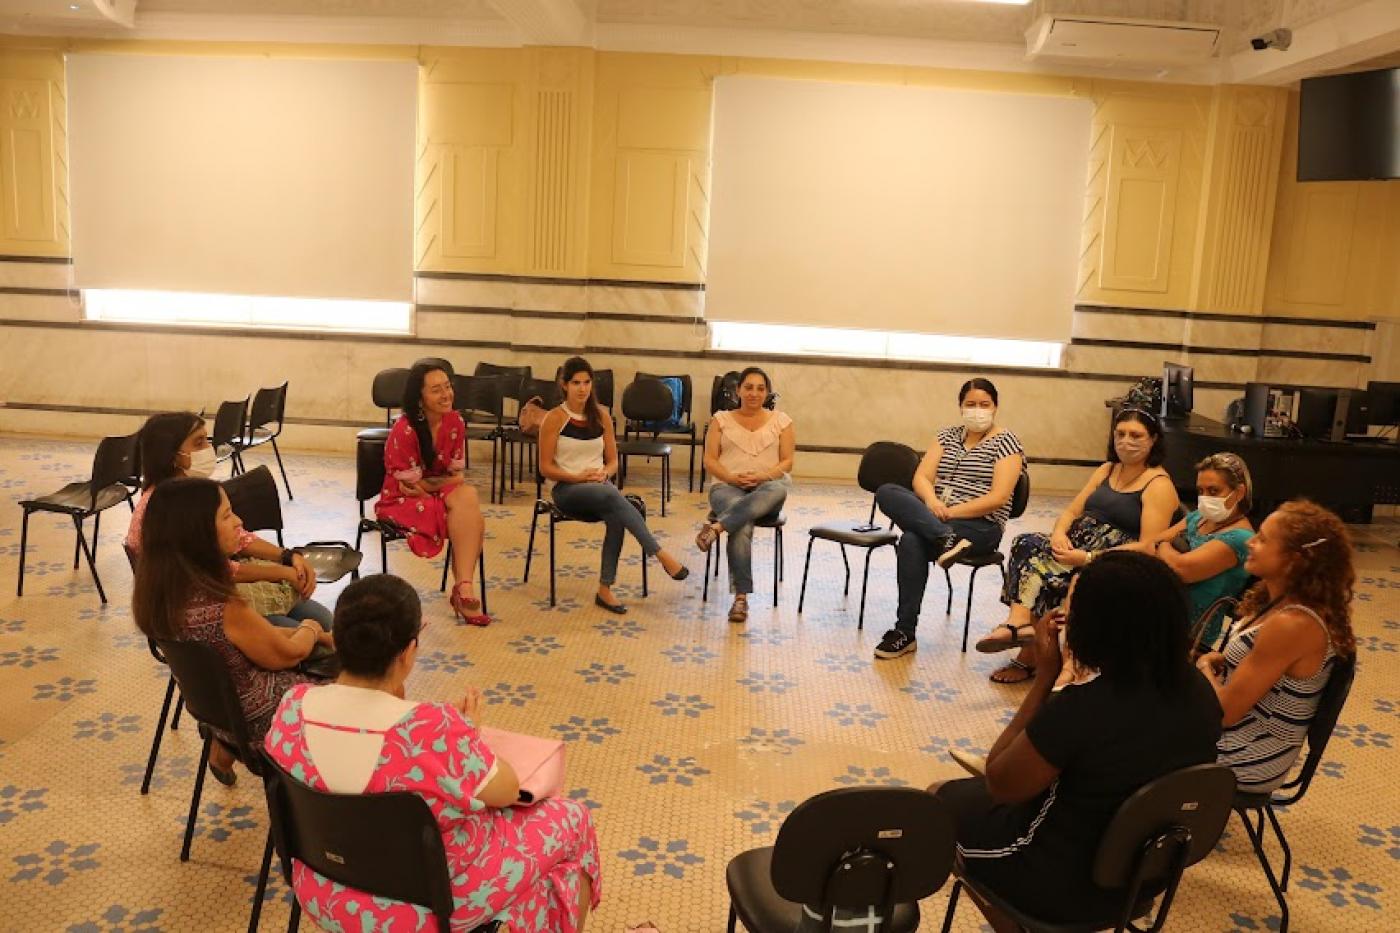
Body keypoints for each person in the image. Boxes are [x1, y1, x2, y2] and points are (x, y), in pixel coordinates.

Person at [264, 574, 601, 932]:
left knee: (530, 880)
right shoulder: (434, 727)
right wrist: (467, 735)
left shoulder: (291, 708)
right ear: (408, 651)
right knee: (572, 818)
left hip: (322, 890)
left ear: (340, 643)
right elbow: (505, 791)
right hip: (428, 907)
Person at [931, 552, 1222, 931]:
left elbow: (1000, 782)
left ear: (1095, 627)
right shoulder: (1200, 692)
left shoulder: (1081, 708)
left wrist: (1045, 677)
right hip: (1144, 877)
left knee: (936, 801)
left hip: (1059, 884)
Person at [132, 477, 333, 786]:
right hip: (264, 720)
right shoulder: (224, 605)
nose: (238, 521)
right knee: (371, 681)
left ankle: (223, 747)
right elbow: (288, 655)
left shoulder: (159, 592)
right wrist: (312, 629)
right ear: (198, 532)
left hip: (220, 715)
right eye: (227, 515)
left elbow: (252, 640)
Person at [975, 407, 1178, 683]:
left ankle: (1041, 657)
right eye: (1120, 434)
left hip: (1113, 559)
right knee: (1026, 543)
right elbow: (1071, 512)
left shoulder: (1158, 485)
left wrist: (1088, 557)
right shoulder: (1108, 469)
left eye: (1135, 435)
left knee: (1049, 573)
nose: (1126, 441)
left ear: (1153, 440)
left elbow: (1147, 547)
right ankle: (1019, 623)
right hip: (1076, 545)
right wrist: (1059, 533)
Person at [1195, 500, 1356, 795]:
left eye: (1263, 539)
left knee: (1128, 730)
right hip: (1239, 735)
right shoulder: (1275, 597)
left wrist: (1205, 667)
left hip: (1246, 756)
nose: (1251, 542)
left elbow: (1224, 713)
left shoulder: (1293, 623)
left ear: (1295, 559)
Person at [126, 411, 332, 632]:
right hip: (194, 605)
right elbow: (216, 569)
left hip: (216, 586)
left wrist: (289, 557)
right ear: (173, 456)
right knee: (301, 634)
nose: (208, 449)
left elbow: (240, 537)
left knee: (322, 619)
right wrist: (284, 572)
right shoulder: (163, 507)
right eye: (199, 443)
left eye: (207, 439)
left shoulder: (193, 489)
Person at [871, 377, 1025, 658]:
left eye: (984, 404)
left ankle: (904, 630)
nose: (977, 410)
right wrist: (931, 502)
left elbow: (999, 497)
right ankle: (944, 540)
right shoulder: (947, 436)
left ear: (995, 407)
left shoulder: (1007, 442)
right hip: (939, 518)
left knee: (912, 540)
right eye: (970, 404)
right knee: (887, 491)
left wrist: (949, 512)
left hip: (980, 526)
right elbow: (922, 477)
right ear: (960, 407)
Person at [538, 357, 689, 613]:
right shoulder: (554, 418)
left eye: (587, 382)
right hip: (568, 490)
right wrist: (579, 477)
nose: (582, 389)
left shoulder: (602, 416)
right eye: (576, 383)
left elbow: (612, 462)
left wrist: (603, 473)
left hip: (600, 490)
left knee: (615, 509)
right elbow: (545, 468)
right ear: (564, 385)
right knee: (612, 496)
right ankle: (660, 554)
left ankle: (604, 590)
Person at [376, 362, 486, 622]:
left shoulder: (455, 422)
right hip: (400, 500)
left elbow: (457, 476)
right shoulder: (405, 429)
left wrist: (433, 486)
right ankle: (464, 589)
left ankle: (464, 586)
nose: (446, 394)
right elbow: (410, 487)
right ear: (420, 397)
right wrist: (437, 485)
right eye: (436, 390)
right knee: (471, 520)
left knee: (467, 496)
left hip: (432, 493)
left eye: (448, 387)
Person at [1114, 452, 1255, 649]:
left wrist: (1164, 545)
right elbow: (1150, 544)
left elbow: (1180, 570)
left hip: (1188, 631)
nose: (1205, 498)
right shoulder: (1199, 518)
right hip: (1158, 606)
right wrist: (1094, 558)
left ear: (1239, 493)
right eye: (1201, 491)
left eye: (1214, 491)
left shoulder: (1240, 538)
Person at [697, 367, 796, 623]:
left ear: (767, 392)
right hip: (727, 488)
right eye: (749, 387)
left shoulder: (782, 421)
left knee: (778, 488)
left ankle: (716, 528)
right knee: (741, 523)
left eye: (760, 388)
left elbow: (787, 463)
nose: (754, 393)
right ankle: (740, 599)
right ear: (738, 390)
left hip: (766, 489)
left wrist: (763, 476)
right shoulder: (720, 420)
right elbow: (709, 460)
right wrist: (730, 477)